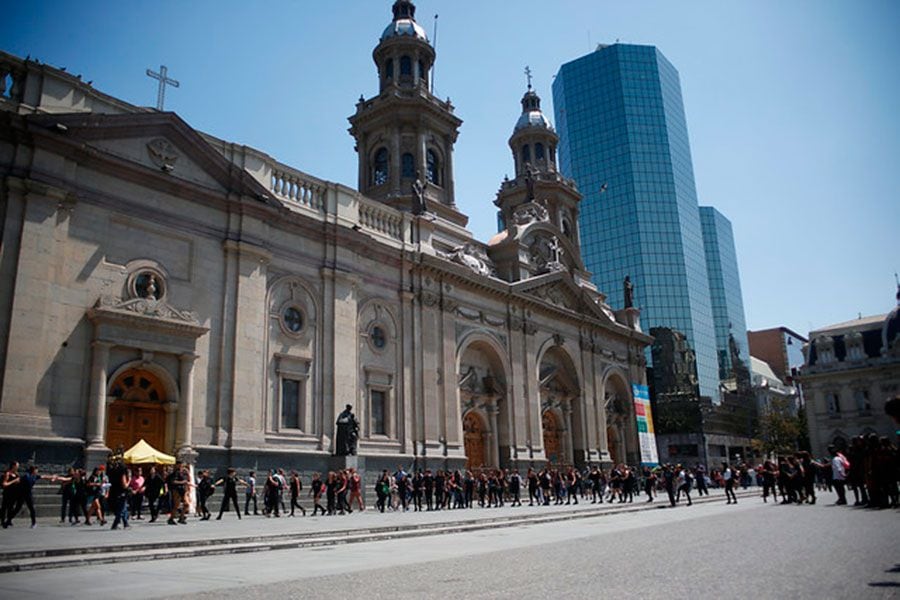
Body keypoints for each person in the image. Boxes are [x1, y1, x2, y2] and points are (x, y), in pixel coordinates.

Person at [108, 457, 131, 530]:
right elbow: (124, 485)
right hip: (121, 492)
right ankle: (115, 524)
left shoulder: (112, 471)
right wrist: (129, 480)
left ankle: (126, 523)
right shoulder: (122, 471)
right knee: (121, 509)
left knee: (123, 507)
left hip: (113, 491)